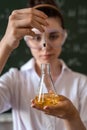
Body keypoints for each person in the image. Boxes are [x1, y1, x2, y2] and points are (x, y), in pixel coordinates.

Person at [0, 0, 87, 129]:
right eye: (36, 37)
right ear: (26, 40)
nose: (45, 47)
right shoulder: (14, 79)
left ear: (63, 36)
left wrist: (71, 116)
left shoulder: (81, 83)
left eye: (53, 36)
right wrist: (6, 44)